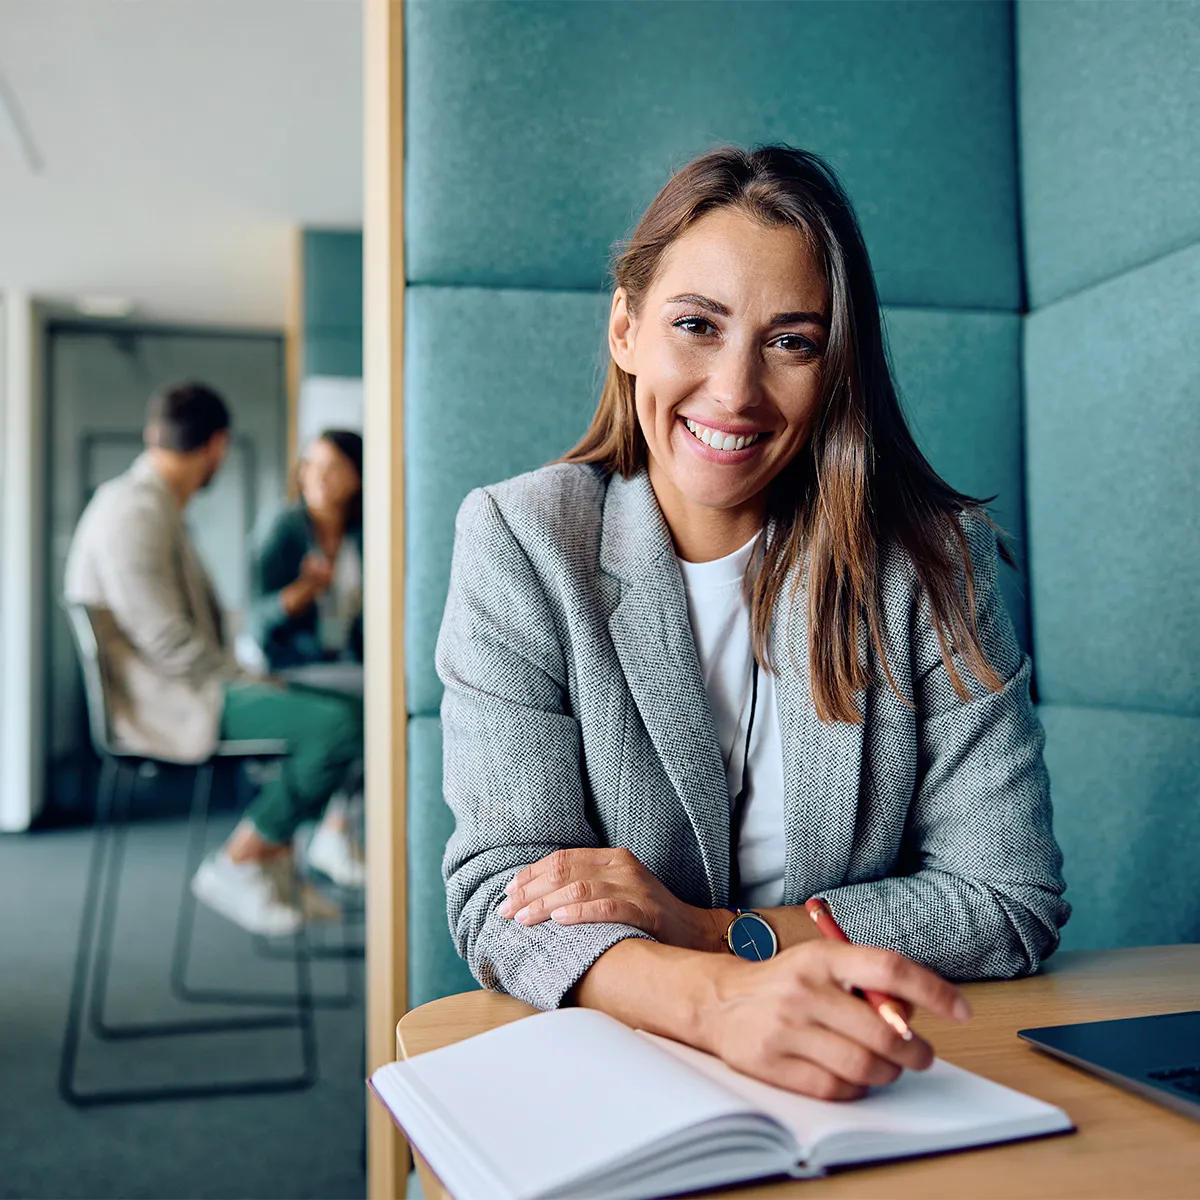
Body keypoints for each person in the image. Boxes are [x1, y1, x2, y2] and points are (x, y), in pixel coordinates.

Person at [437, 146, 1069, 1101]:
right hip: (618, 1070)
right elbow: (504, 895)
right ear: (625, 327)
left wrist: (715, 934)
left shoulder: (933, 563)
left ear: (835, 367)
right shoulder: (523, 542)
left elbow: (1006, 900)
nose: (735, 391)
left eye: (792, 341)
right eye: (696, 325)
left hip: (874, 1072)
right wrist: (714, 1000)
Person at [65, 382, 363, 937]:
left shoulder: (150, 504)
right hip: (170, 701)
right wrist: (247, 677)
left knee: (341, 709)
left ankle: (276, 865)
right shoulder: (133, 510)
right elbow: (166, 640)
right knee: (341, 724)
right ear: (218, 446)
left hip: (183, 685)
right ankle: (243, 858)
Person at [247, 429, 365, 887]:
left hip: (346, 665)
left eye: (333, 467)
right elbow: (256, 623)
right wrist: (303, 593)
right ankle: (336, 827)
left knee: (376, 701)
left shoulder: (364, 532)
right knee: (380, 702)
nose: (318, 477)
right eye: (310, 466)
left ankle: (336, 826)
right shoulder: (285, 530)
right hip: (289, 665)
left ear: (356, 477)